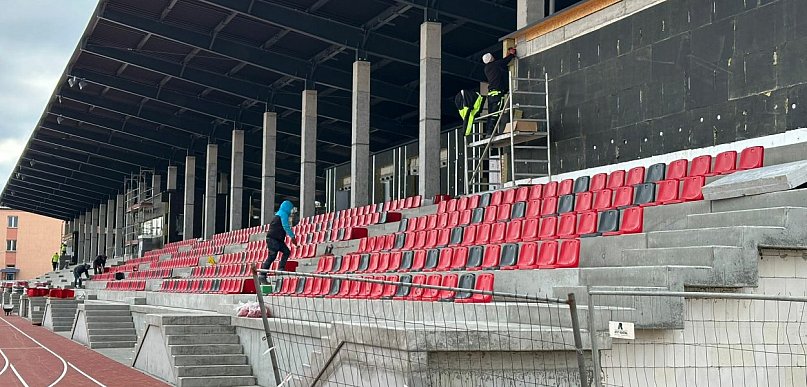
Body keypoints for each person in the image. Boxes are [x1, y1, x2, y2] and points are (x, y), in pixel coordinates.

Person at [259, 200, 297, 285]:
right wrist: (292, 237)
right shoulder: (282, 214)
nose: (291, 211)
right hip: (273, 239)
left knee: (286, 252)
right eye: (290, 209)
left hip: (278, 239)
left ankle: (280, 268)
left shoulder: (279, 214)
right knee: (272, 256)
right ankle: (262, 274)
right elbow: (285, 226)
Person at [482, 47, 517, 134]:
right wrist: (512, 54)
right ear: (491, 58)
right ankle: (490, 133)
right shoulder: (496, 65)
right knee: (495, 114)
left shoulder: (487, 68)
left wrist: (508, 55)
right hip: (497, 94)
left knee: (491, 114)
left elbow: (501, 63)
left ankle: (488, 133)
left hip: (491, 95)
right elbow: (505, 61)